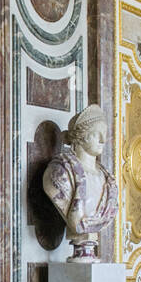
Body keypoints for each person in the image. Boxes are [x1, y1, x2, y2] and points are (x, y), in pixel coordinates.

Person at [42, 105, 119, 262]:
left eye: (104, 135)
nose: (103, 140)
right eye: (96, 134)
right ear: (82, 136)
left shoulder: (107, 180)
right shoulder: (59, 173)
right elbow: (74, 221)